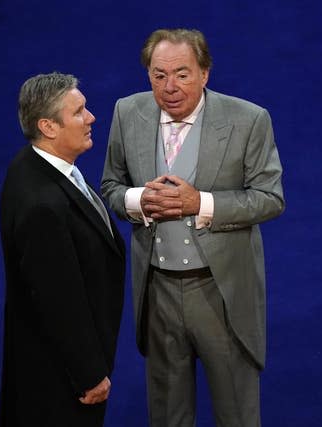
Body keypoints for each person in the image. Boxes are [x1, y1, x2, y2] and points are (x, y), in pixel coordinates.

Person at [101, 28, 285, 427]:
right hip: (158, 291)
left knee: (236, 413)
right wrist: (137, 201)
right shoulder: (127, 112)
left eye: (182, 74)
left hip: (221, 292)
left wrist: (199, 202)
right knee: (167, 415)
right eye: (159, 74)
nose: (170, 87)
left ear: (205, 73)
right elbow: (110, 186)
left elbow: (270, 199)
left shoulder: (248, 119)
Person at [0, 72, 125, 427]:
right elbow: (57, 297)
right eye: (79, 112)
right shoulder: (42, 203)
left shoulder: (33, 165)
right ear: (48, 127)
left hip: (50, 365)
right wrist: (89, 372)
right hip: (60, 379)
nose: (91, 118)